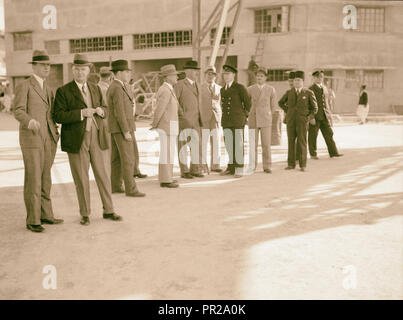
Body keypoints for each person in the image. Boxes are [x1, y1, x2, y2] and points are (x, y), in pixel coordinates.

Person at [53, 53, 121, 225]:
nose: (79, 72)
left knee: (103, 175)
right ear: (72, 70)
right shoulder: (63, 91)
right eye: (76, 69)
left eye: (83, 69)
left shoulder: (95, 88)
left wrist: (102, 111)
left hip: (97, 138)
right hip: (77, 140)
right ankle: (85, 214)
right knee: (81, 179)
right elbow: (58, 115)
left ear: (88, 70)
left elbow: (106, 108)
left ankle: (109, 210)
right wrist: (81, 113)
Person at [12, 50, 63, 233]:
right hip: (32, 139)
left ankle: (46, 215)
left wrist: (55, 132)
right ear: (34, 66)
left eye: (48, 65)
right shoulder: (25, 85)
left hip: (48, 138)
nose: (47, 68)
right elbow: (17, 110)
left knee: (45, 178)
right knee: (33, 179)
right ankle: (33, 220)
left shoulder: (48, 88)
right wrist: (29, 121)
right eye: (43, 65)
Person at [106, 59, 146, 197]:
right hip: (122, 128)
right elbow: (119, 111)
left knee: (116, 158)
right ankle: (131, 189)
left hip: (118, 128)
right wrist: (126, 131)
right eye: (126, 71)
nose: (129, 74)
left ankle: (116, 186)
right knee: (128, 158)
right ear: (118, 73)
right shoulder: (117, 87)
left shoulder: (120, 86)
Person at [278, 70, 318, 172]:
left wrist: (308, 117)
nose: (297, 82)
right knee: (291, 142)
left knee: (302, 142)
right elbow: (280, 102)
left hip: (302, 121)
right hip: (291, 121)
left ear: (303, 81)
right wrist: (289, 111)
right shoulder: (289, 92)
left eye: (299, 80)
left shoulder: (308, 93)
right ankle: (291, 164)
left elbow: (315, 108)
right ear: (293, 81)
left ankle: (302, 165)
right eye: (295, 80)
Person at [151, 64, 180, 188]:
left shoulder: (169, 89)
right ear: (167, 77)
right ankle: (165, 179)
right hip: (166, 126)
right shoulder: (165, 90)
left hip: (170, 125)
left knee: (169, 152)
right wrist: (155, 124)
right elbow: (160, 109)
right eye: (174, 75)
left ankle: (167, 177)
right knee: (166, 152)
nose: (177, 77)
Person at [220, 64, 251, 178]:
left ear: (233, 75)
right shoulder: (223, 89)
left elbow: (248, 104)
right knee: (229, 145)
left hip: (238, 121)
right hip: (226, 121)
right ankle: (231, 167)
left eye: (228, 74)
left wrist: (244, 117)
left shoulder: (240, 87)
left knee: (238, 145)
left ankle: (239, 168)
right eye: (224, 74)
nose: (226, 76)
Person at [175, 60, 204, 179]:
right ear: (186, 71)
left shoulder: (198, 85)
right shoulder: (179, 85)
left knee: (197, 146)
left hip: (197, 121)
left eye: (196, 70)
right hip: (184, 121)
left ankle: (195, 169)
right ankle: (184, 171)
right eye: (193, 70)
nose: (195, 73)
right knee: (182, 146)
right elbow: (175, 102)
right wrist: (182, 115)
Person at [308, 70, 343, 159]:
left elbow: (326, 102)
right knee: (313, 136)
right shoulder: (310, 89)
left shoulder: (324, 88)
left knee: (329, 134)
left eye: (322, 77)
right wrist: (311, 117)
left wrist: (329, 114)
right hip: (315, 116)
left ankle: (334, 152)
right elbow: (308, 104)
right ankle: (313, 154)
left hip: (324, 116)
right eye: (318, 77)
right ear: (314, 78)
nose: (320, 79)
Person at [247, 67, 276, 173]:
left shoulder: (271, 89)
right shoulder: (250, 89)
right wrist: (248, 114)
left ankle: (267, 166)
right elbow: (246, 104)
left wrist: (268, 114)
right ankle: (252, 166)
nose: (259, 78)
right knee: (252, 144)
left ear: (265, 78)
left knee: (266, 144)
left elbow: (273, 106)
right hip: (253, 118)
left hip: (265, 119)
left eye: (261, 76)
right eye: (258, 76)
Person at [200, 66, 222, 173]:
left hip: (216, 118)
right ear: (205, 75)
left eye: (212, 74)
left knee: (216, 142)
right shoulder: (200, 88)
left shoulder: (219, 88)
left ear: (215, 76)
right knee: (204, 142)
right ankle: (203, 165)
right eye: (208, 74)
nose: (210, 76)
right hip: (204, 118)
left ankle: (215, 165)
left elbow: (221, 103)